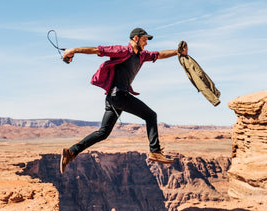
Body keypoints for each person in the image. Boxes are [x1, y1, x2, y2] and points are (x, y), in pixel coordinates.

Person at [60, 27, 187, 174]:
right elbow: (97, 50)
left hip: (112, 99)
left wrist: (178, 52)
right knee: (150, 115)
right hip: (119, 96)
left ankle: (71, 152)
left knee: (103, 132)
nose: (146, 43)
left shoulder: (142, 55)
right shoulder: (122, 51)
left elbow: (159, 54)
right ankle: (155, 151)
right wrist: (73, 50)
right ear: (135, 39)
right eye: (144, 40)